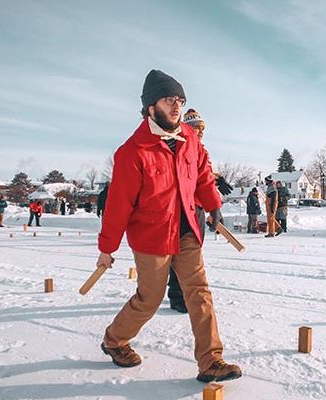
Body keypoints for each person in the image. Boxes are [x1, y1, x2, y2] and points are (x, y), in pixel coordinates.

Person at [96, 69, 241, 383]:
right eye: (168, 100)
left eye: (180, 100)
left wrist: (214, 205)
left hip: (187, 230)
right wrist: (107, 248)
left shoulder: (189, 139)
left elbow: (202, 176)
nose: (176, 106)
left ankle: (211, 360)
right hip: (152, 236)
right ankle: (115, 339)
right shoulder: (133, 151)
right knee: (150, 298)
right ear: (151, 107)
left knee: (199, 293)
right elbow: (118, 206)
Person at [166, 108, 232, 314]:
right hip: (182, 208)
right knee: (182, 253)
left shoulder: (200, 149)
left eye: (203, 128)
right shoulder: (178, 145)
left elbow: (203, 176)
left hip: (198, 208)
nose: (201, 131)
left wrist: (216, 184)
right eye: (196, 127)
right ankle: (176, 295)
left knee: (192, 253)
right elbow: (187, 176)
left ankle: (184, 293)